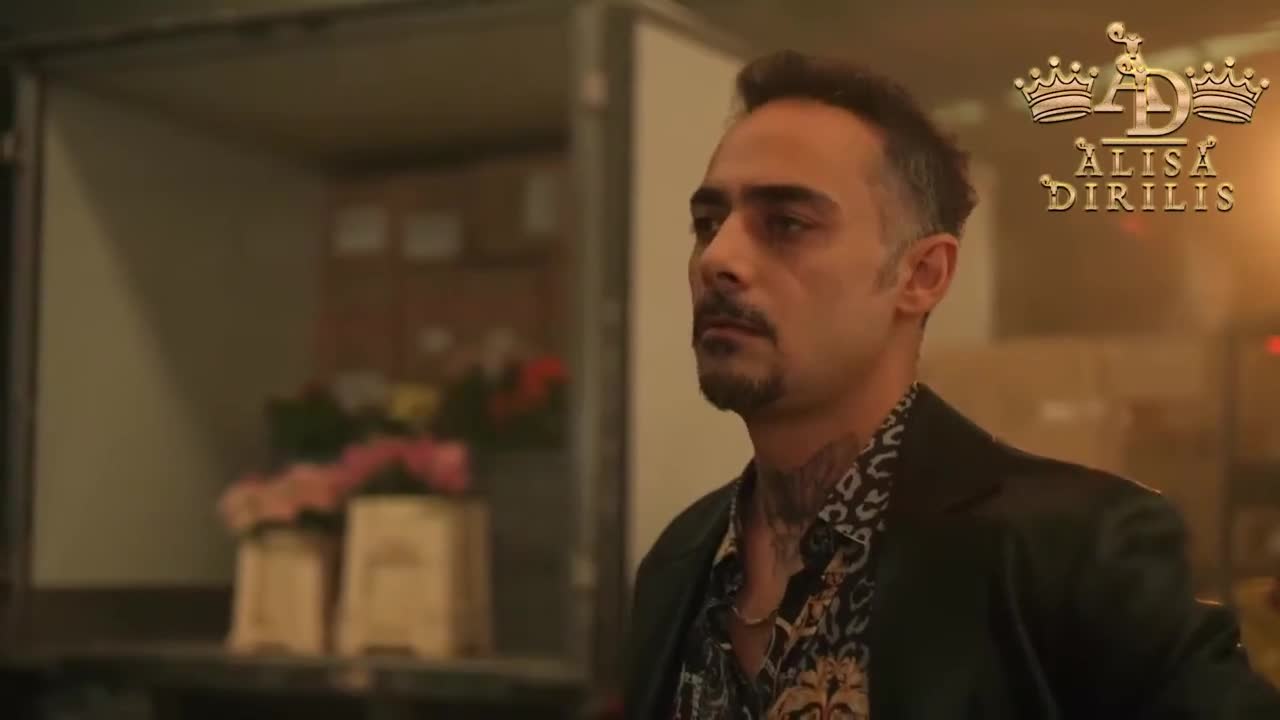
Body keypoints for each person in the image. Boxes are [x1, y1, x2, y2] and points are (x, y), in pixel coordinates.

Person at [623, 50, 1280, 718]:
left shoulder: (1078, 559)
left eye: (787, 224)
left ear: (922, 275)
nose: (718, 258)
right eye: (708, 224)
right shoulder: (678, 563)